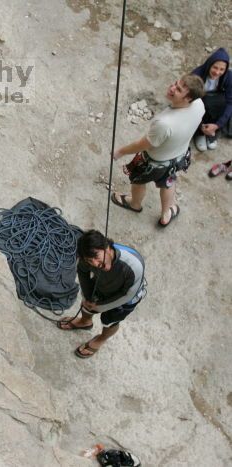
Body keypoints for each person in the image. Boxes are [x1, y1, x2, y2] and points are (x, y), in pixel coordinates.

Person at [111, 75, 205, 227]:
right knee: (168, 183)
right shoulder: (199, 104)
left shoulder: (164, 123)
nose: (172, 87)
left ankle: (134, 204)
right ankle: (166, 214)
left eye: (179, 89)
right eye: (176, 83)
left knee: (138, 181)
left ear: (188, 99)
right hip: (178, 157)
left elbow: (143, 145)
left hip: (154, 162)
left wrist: (120, 151)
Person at [57, 230, 146, 359]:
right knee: (87, 303)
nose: (95, 264)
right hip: (103, 285)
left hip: (125, 298)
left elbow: (127, 295)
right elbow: (82, 270)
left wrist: (99, 306)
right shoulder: (88, 259)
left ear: (107, 247)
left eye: (97, 257)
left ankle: (101, 339)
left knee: (109, 320)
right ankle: (85, 322)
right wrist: (87, 296)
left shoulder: (133, 266)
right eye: (89, 260)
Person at [191, 48, 232, 152]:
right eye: (215, 67)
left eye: (222, 69)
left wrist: (218, 125)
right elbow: (189, 100)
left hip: (215, 102)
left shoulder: (229, 77)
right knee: (204, 104)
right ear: (209, 64)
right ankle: (200, 133)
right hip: (198, 101)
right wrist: (200, 126)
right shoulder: (197, 75)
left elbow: (230, 102)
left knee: (222, 102)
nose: (217, 72)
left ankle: (212, 129)